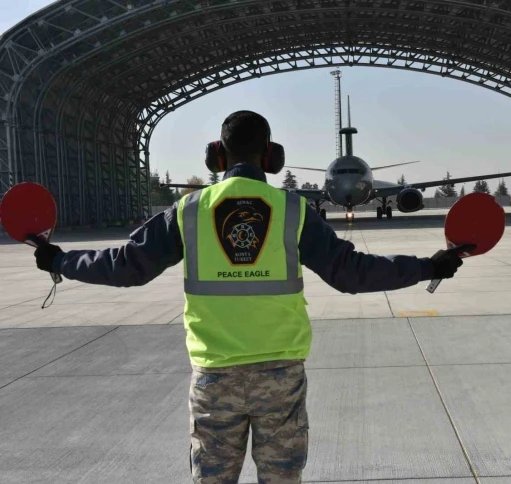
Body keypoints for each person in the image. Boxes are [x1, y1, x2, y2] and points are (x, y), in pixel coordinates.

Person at [28, 110, 468, 484]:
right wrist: (428, 266)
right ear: (271, 156)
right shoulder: (293, 209)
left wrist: (60, 260)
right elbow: (352, 273)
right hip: (280, 376)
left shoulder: (189, 210)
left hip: (214, 377)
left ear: (216, 156)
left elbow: (125, 266)